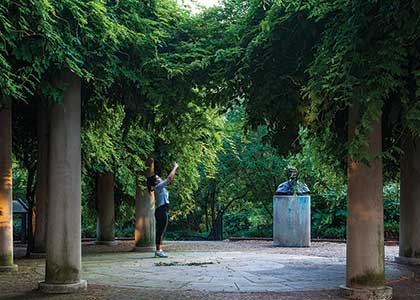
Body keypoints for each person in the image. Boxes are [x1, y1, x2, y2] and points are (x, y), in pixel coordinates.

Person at [147, 162, 179, 258]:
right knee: (160, 231)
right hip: (161, 210)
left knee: (161, 230)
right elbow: (169, 179)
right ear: (156, 182)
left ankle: (159, 250)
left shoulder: (160, 187)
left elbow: (168, 180)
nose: (160, 178)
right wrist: (175, 167)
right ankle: (158, 251)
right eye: (158, 178)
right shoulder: (158, 187)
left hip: (162, 210)